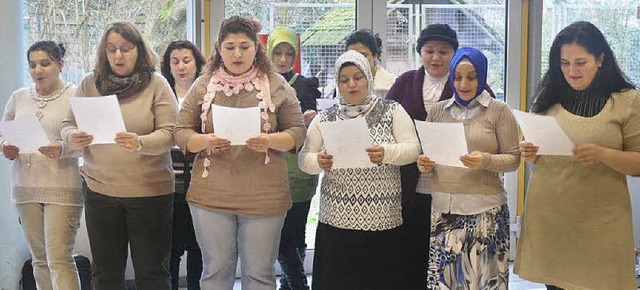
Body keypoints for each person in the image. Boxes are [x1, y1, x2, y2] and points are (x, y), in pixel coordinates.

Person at [174, 16, 306, 290]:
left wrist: (271, 140)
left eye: (244, 46)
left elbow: (297, 131)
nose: (237, 54)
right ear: (219, 49)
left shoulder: (277, 84)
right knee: (215, 272)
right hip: (212, 194)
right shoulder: (203, 84)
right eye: (230, 46)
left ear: (256, 49)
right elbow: (180, 131)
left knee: (259, 275)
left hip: (265, 195)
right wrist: (204, 141)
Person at [514, 21, 640, 290]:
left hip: (601, 222)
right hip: (551, 218)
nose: (572, 71)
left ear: (600, 59)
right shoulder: (549, 95)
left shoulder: (626, 100)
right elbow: (535, 148)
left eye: (581, 62)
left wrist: (604, 154)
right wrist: (529, 151)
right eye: (564, 63)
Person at [61, 21, 178, 290]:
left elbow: (171, 133)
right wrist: (73, 136)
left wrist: (140, 142)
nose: (118, 56)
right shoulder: (90, 83)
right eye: (111, 49)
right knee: (105, 273)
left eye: (126, 49)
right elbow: (67, 124)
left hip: (150, 193)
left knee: (151, 273)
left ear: (139, 50)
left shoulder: (156, 84)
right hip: (100, 191)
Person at [298, 50, 421, 290]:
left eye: (358, 77)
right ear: (337, 83)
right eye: (344, 80)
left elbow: (413, 149)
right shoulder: (325, 118)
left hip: (383, 220)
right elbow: (304, 159)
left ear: (368, 78)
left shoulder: (392, 110)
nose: (351, 84)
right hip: (337, 221)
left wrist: (387, 152)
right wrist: (318, 161)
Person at [416, 46, 520, 289]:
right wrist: (425, 164)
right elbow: (430, 160)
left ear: (482, 77)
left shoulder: (498, 110)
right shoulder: (438, 111)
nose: (463, 84)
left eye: (471, 77)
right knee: (445, 283)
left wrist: (486, 160)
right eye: (458, 77)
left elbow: (514, 159)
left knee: (483, 282)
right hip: (444, 212)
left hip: (485, 212)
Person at [1, 41, 82, 290]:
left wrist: (63, 147)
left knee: (59, 259)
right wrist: (6, 146)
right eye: (33, 65)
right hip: (26, 186)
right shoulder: (18, 97)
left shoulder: (76, 94)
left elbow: (88, 142)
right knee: (39, 260)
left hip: (62, 187)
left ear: (60, 64)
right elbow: (4, 132)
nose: (38, 70)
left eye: (45, 64)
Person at [385, 23, 458, 290]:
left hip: (451, 187)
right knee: (412, 253)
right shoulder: (405, 82)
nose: (436, 57)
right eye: (429, 51)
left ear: (454, 53)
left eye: (443, 51)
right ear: (420, 52)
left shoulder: (466, 80)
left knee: (446, 257)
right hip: (410, 186)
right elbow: (385, 120)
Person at [266, 26, 320, 290]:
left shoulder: (305, 85)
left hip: (301, 173)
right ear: (268, 53)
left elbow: (312, 130)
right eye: (278, 53)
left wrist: (310, 121)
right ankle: (297, 285)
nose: (284, 59)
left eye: (289, 53)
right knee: (281, 237)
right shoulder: (261, 84)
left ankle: (291, 285)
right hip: (271, 173)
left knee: (295, 234)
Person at [160, 39, 205, 290]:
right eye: (175, 62)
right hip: (169, 181)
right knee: (172, 248)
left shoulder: (207, 93)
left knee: (198, 246)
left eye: (186, 60)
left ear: (197, 63)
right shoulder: (162, 93)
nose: (181, 67)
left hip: (200, 181)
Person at [343, 29, 396, 98]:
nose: (357, 60)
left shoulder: (392, 84)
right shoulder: (342, 85)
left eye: (363, 55)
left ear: (375, 56)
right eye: (352, 56)